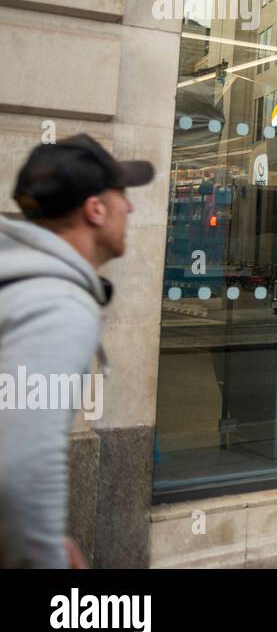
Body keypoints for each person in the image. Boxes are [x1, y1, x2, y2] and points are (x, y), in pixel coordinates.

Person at [0, 135, 154, 568]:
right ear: (95, 209)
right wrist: (42, 557)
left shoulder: (17, 278)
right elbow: (21, 470)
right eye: (122, 193)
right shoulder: (55, 305)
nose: (131, 207)